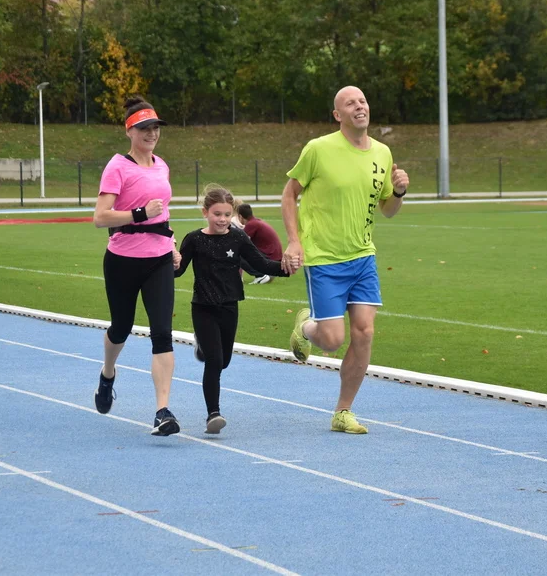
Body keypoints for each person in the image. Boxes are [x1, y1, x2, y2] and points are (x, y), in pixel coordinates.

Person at [281, 85, 409, 435]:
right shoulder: (318, 149)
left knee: (365, 332)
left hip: (362, 256)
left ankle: (343, 411)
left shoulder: (382, 153)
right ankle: (306, 326)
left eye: (363, 101)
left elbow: (388, 210)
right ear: (338, 115)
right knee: (332, 339)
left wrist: (398, 191)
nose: (359, 106)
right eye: (350, 103)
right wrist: (294, 241)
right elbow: (290, 194)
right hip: (323, 258)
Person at [92, 95, 181, 436]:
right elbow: (100, 218)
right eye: (144, 128)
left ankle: (162, 411)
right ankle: (108, 373)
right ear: (130, 131)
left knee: (163, 333)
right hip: (123, 260)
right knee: (121, 327)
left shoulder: (162, 166)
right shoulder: (117, 166)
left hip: (158, 260)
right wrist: (140, 214)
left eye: (155, 127)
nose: (151, 134)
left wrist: (171, 245)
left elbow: (165, 213)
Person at [174, 184, 290, 433]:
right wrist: (171, 260)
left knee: (223, 360)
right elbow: (178, 271)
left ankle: (202, 348)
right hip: (203, 307)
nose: (223, 219)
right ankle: (213, 414)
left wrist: (286, 267)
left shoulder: (238, 237)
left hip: (229, 307)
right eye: (217, 214)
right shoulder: (195, 239)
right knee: (215, 362)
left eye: (227, 214)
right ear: (205, 212)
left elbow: (260, 264)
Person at [237, 203, 283, 285]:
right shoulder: (256, 222)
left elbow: (239, 243)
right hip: (275, 257)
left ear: (240, 216)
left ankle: (260, 275)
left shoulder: (251, 224)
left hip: (271, 258)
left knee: (237, 254)